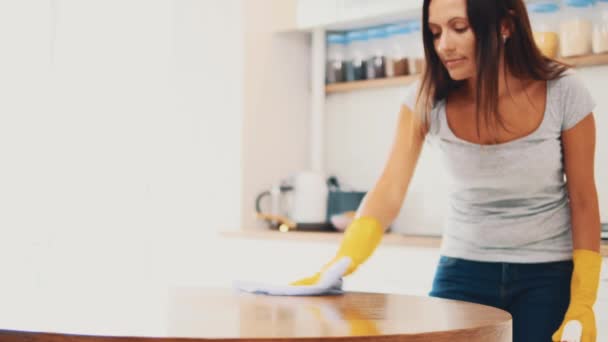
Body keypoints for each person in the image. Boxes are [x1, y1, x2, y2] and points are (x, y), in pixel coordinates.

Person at [291, 0, 603, 341]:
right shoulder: (426, 99)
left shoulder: (563, 90)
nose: (444, 46)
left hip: (547, 273)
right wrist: (345, 257)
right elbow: (389, 189)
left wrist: (584, 299)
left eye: (459, 28)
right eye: (435, 32)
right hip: (463, 269)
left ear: (505, 26)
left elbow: (583, 198)